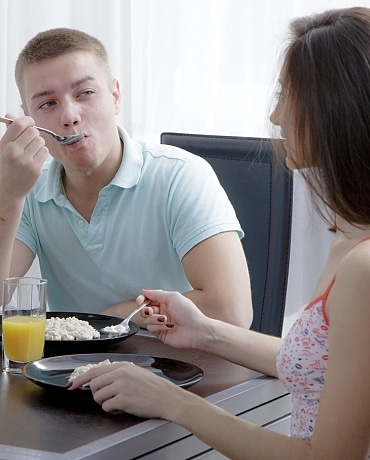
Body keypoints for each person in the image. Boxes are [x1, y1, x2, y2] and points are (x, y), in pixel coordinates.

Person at [68, 7, 370, 459]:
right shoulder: (348, 237)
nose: (274, 115)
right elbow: (320, 364)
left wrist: (173, 402)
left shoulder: (363, 266)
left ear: (332, 109)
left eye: (286, 95)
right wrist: (205, 332)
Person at [0, 28, 252, 328]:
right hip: (72, 370)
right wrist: (9, 196)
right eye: (47, 104)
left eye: (85, 93)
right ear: (28, 116)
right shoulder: (28, 190)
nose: (69, 116)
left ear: (115, 96)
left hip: (176, 367)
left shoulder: (179, 176)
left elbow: (231, 312)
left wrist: (119, 313)